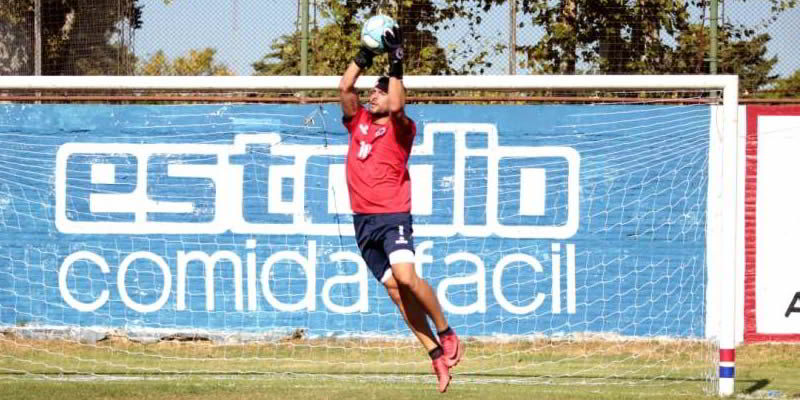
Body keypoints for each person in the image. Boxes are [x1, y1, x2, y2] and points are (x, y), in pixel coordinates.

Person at [338, 24, 464, 393]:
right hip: (363, 223)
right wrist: (364, 54)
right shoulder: (357, 122)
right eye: (372, 91)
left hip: (393, 215)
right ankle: (435, 355)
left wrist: (395, 63)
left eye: (378, 90)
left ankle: (446, 329)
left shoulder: (401, 127)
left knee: (407, 278)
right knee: (395, 292)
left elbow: (396, 103)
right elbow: (344, 87)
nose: (372, 96)